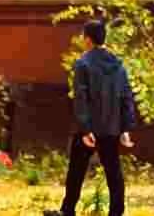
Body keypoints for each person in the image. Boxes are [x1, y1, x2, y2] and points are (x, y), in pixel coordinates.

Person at [45, 20, 137, 216]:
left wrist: (86, 129)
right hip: (112, 128)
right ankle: (117, 212)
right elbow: (126, 96)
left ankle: (68, 210)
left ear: (87, 39)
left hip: (90, 129)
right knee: (114, 173)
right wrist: (126, 128)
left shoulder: (83, 64)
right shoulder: (118, 65)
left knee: (76, 171)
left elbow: (81, 99)